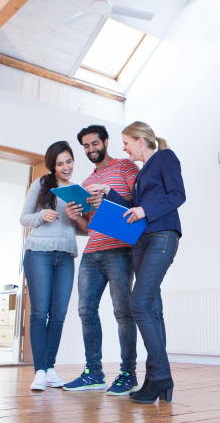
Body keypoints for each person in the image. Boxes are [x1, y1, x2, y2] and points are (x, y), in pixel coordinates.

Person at [87, 121, 185, 404]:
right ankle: (156, 380)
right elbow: (133, 208)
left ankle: (161, 377)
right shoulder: (142, 174)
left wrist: (144, 209)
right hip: (142, 241)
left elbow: (178, 195)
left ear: (141, 140)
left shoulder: (165, 158)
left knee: (138, 304)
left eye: (126, 143)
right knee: (152, 308)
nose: (123, 148)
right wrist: (110, 194)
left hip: (162, 236)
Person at [62, 125, 142, 396]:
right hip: (91, 253)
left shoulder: (125, 168)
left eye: (94, 143)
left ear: (106, 142)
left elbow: (138, 203)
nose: (91, 149)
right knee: (86, 312)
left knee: (123, 313)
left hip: (120, 250)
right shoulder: (84, 184)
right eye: (85, 146)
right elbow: (88, 226)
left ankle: (127, 374)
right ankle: (93, 373)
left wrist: (107, 197)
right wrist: (76, 218)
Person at [19, 141, 87, 391]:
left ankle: (50, 369)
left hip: (66, 256)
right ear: (52, 166)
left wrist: (76, 217)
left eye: (69, 161)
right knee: (39, 313)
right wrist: (41, 216)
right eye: (60, 163)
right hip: (38, 252)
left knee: (58, 315)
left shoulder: (78, 191)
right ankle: (39, 371)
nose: (66, 167)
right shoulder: (41, 184)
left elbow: (86, 230)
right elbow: (23, 218)